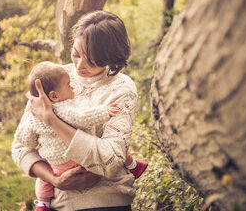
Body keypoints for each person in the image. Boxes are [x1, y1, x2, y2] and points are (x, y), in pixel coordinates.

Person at [12, 11, 148, 211]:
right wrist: (54, 180)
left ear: (110, 57)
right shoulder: (53, 77)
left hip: (107, 200)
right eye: (76, 53)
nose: (79, 65)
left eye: (91, 60)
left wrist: (52, 121)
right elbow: (21, 147)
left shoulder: (122, 88)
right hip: (57, 200)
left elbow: (110, 161)